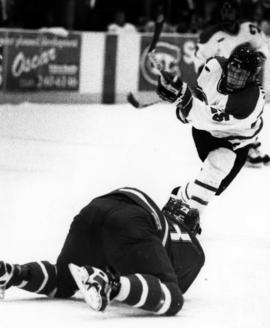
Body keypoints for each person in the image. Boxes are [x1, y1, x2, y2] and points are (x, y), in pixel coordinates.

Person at [0, 187, 204, 316]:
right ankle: (110, 285)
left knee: (63, 280)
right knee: (173, 298)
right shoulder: (192, 248)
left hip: (96, 208)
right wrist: (120, 281)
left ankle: (14, 273)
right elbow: (163, 286)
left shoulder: (164, 223)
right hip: (131, 220)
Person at [156, 42, 265, 231]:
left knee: (215, 188)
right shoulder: (213, 66)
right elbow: (200, 99)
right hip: (205, 133)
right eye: (233, 68)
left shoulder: (250, 101)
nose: (234, 76)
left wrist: (183, 100)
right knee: (221, 161)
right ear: (228, 63)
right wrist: (181, 101)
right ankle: (189, 219)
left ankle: (180, 196)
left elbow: (209, 119)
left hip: (236, 140)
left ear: (251, 77)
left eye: (241, 74)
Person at [194, 0, 270, 168]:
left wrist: (251, 62)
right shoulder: (209, 36)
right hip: (224, 84)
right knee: (227, 117)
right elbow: (200, 64)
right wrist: (204, 87)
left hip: (246, 81)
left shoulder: (249, 29)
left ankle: (250, 145)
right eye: (224, 11)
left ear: (237, 13)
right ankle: (241, 147)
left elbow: (263, 48)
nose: (227, 15)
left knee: (249, 113)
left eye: (230, 11)